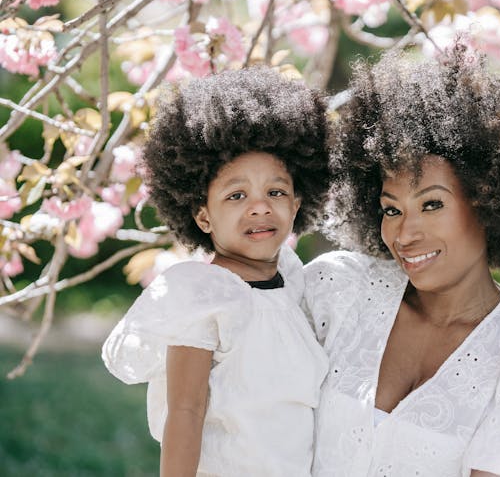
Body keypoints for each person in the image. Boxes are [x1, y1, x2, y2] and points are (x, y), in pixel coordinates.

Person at [303, 45, 500, 477]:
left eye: (432, 204)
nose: (405, 234)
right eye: (391, 209)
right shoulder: (338, 293)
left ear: (489, 201)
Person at [101, 67, 330, 477]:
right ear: (203, 216)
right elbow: (185, 412)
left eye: (275, 192)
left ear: (297, 204)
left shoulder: (294, 288)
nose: (260, 207)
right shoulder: (204, 296)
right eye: (237, 195)